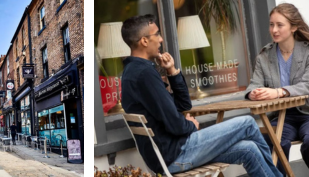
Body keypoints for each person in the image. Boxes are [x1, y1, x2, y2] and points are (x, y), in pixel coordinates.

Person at [119, 14, 282, 177]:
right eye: (157, 34)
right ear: (144, 41)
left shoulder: (131, 72)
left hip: (168, 155)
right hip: (177, 155)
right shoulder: (144, 74)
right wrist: (191, 125)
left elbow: (183, 106)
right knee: (247, 123)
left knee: (249, 149)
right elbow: (175, 124)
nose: (161, 39)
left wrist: (172, 71)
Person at [246, 3, 309, 177]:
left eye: (280, 25)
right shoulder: (264, 56)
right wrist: (253, 93)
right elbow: (253, 84)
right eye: (272, 24)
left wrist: (279, 92)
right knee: (273, 141)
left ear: (294, 27)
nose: (274, 29)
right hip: (282, 116)